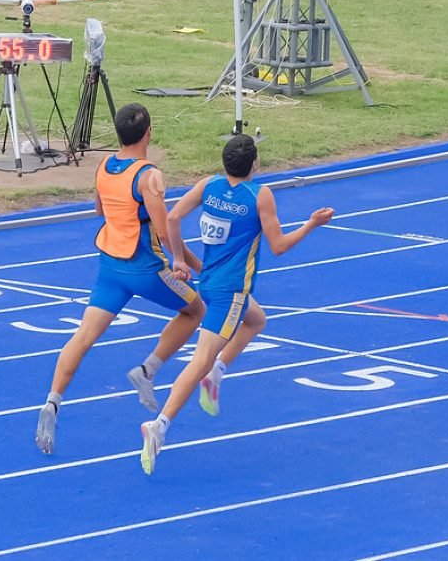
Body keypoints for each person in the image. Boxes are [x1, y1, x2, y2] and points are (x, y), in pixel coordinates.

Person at [139, 135, 334, 474]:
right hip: (231, 293)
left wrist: (180, 260)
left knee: (257, 321)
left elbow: (171, 219)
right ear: (255, 164)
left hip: (210, 283)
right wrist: (311, 224)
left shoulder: (208, 185)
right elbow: (278, 246)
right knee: (199, 360)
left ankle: (216, 375)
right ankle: (160, 425)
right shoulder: (260, 196)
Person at [35, 103, 206, 455]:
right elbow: (162, 231)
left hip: (110, 267)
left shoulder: (103, 166)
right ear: (149, 131)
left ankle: (52, 402)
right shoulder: (149, 176)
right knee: (195, 310)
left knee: (83, 336)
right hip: (145, 269)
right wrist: (185, 262)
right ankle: (148, 369)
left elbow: (99, 209)